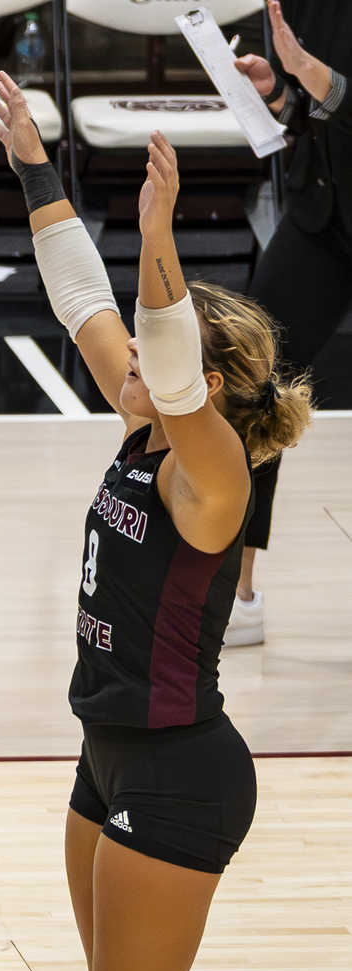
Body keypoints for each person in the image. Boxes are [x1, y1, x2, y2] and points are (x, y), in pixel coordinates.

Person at [0, 81, 309, 971]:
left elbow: (160, 348)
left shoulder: (211, 474)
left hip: (182, 767)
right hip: (107, 752)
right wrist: (33, 167)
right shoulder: (140, 430)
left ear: (209, 386)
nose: (125, 354)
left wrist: (162, 232)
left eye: (159, 358)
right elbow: (83, 301)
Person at [225, 0, 351, 647]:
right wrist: (278, 90)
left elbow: (331, 85)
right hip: (323, 212)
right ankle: (236, 596)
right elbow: (306, 109)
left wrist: (314, 74)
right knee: (252, 373)